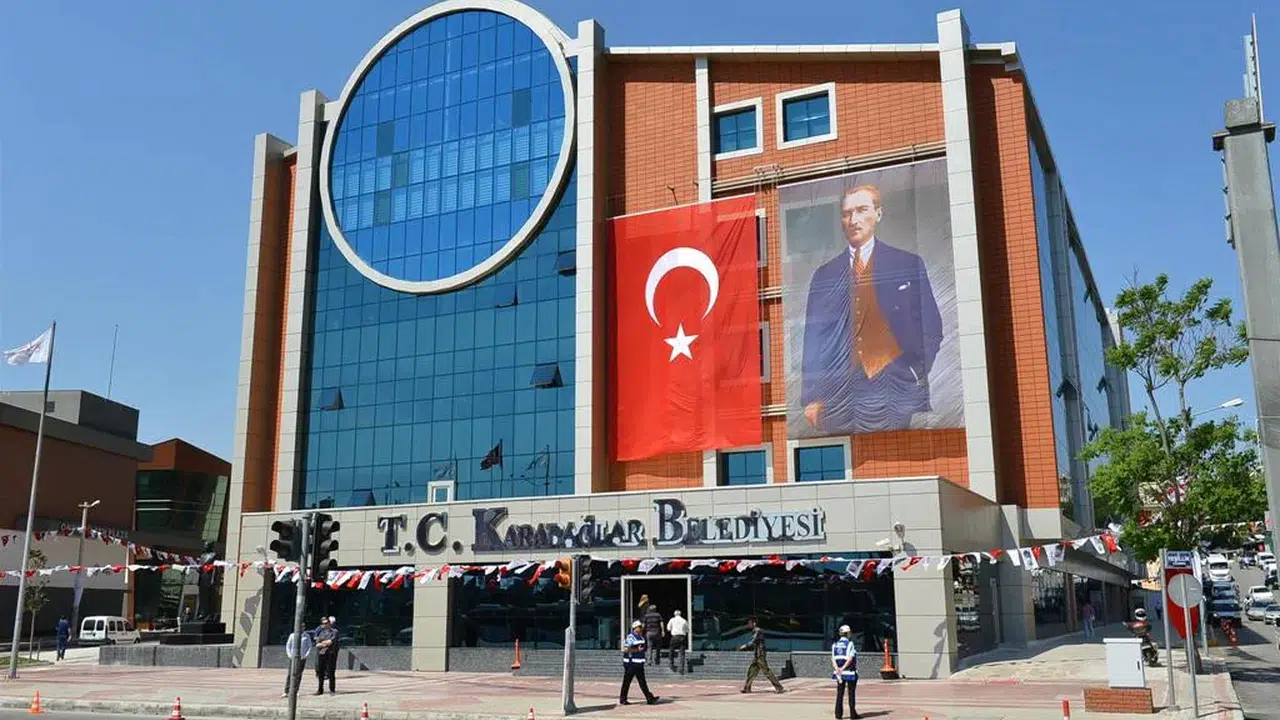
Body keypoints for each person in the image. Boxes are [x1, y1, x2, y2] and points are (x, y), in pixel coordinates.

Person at [800, 184, 944, 434]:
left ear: (878, 213)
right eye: (847, 213)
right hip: (839, 391)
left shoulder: (906, 263)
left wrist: (913, 372)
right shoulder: (825, 275)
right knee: (848, 455)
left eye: (862, 210)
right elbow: (813, 340)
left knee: (894, 454)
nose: (853, 220)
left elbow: (931, 326)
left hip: (892, 383)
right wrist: (811, 397)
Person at [739, 617, 784, 694]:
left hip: (760, 655)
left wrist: (745, 646)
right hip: (757, 655)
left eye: (749, 623)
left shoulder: (757, 630)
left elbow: (753, 641)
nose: (748, 625)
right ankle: (747, 688)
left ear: (754, 623)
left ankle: (779, 687)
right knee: (751, 671)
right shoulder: (754, 631)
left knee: (767, 671)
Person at [620, 620, 659, 705]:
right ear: (635, 628)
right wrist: (636, 650)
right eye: (640, 627)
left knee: (642, 682)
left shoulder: (641, 637)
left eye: (641, 627)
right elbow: (625, 649)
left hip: (639, 663)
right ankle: (623, 699)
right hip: (631, 664)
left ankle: (649, 698)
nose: (641, 628)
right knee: (627, 682)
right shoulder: (631, 637)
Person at [831, 625, 858, 720]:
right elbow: (850, 658)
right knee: (851, 693)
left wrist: (838, 669)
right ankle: (852, 714)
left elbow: (833, 658)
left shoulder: (835, 645)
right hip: (850, 673)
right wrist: (843, 668)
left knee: (840, 693)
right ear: (848, 634)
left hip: (839, 674)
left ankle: (838, 714)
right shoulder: (850, 644)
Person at [282, 628, 313, 698]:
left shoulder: (306, 636)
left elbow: (309, 646)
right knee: (290, 674)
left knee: (298, 674)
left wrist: (305, 655)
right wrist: (289, 655)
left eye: (303, 626)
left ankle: (296, 690)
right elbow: (288, 646)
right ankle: (286, 691)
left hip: (302, 658)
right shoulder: (292, 635)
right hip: (293, 658)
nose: (301, 628)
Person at [312, 616, 339, 695]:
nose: (324, 625)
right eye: (323, 623)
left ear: (329, 623)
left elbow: (331, 642)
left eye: (326, 623)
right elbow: (317, 644)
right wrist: (324, 643)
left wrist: (323, 643)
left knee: (331, 672)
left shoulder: (334, 632)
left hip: (331, 654)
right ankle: (320, 690)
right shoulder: (321, 632)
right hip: (322, 654)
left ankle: (332, 690)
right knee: (321, 672)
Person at [666, 609, 689, 674]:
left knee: (671, 650)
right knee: (682, 653)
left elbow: (668, 628)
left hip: (675, 637)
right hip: (682, 637)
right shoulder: (684, 620)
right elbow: (687, 630)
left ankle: (671, 663)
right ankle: (681, 669)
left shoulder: (672, 620)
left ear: (674, 614)